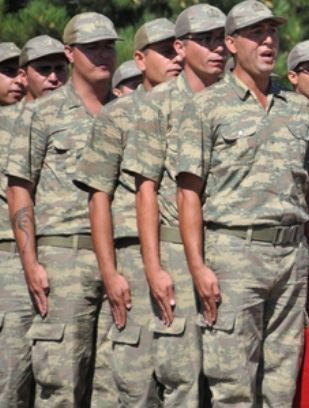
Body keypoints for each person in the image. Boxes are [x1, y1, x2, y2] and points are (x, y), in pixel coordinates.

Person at [175, 0, 309, 405]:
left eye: (272, 32)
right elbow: (188, 194)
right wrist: (198, 266)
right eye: (256, 33)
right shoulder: (205, 107)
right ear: (231, 43)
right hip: (234, 255)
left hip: (292, 257)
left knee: (282, 384)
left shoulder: (298, 109)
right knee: (233, 385)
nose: (268, 41)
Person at [5, 12, 118, 406]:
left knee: (115, 385)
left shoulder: (129, 110)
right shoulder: (42, 113)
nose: (103, 55)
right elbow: (19, 189)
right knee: (61, 383)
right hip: (65, 259)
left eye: (109, 46)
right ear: (70, 53)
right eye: (92, 48)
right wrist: (31, 263)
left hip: (122, 258)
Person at [121, 4, 227, 406]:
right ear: (181, 48)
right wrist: (153, 268)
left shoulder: (236, 100)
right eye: (205, 40)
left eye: (221, 39)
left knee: (228, 375)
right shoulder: (157, 104)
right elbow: (145, 190)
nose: (217, 48)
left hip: (229, 251)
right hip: (176, 253)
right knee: (182, 376)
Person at [74, 17, 181, 406]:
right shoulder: (118, 115)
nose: (176, 59)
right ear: (139, 59)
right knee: (135, 377)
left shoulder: (198, 108)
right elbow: (98, 197)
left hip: (184, 251)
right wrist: (110, 272)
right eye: (166, 52)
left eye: (179, 50)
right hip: (133, 256)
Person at [0, 35, 67, 406]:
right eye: (44, 69)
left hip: (63, 261)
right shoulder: (6, 124)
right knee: (12, 376)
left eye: (60, 68)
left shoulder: (78, 118)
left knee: (58, 377)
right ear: (25, 76)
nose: (54, 77)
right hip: (11, 263)